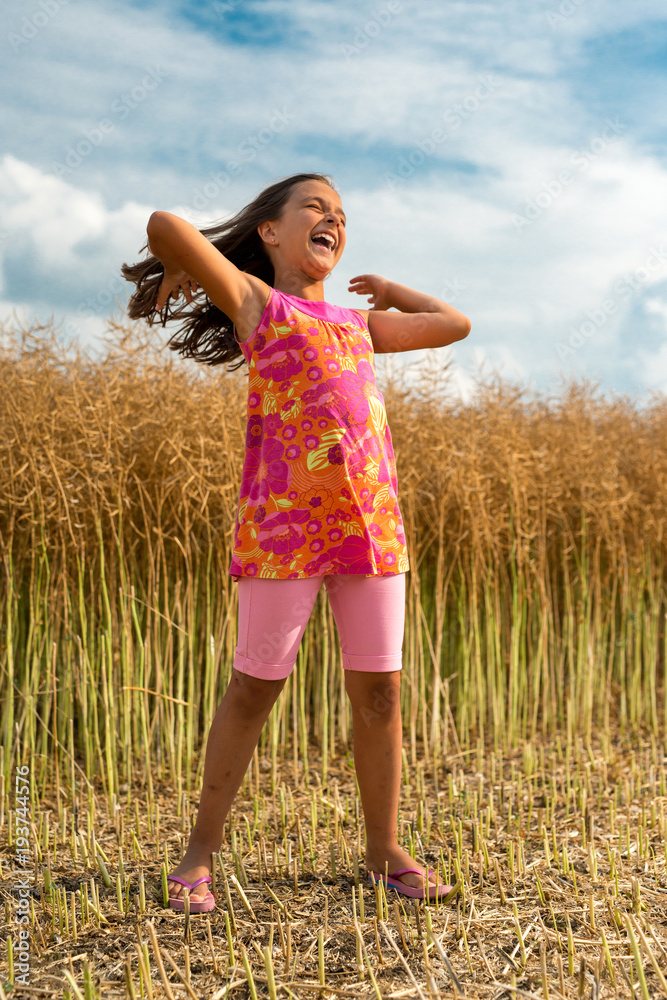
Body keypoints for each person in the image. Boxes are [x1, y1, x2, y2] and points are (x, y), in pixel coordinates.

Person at [122, 172, 471, 912]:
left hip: (372, 532)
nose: (332, 220)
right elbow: (161, 222)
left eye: (341, 215)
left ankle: (382, 852)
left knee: (380, 693)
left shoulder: (357, 325)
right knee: (254, 687)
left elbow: (452, 324)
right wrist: (192, 262)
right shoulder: (258, 305)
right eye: (315, 207)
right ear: (270, 232)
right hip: (283, 533)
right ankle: (197, 855)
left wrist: (393, 289)